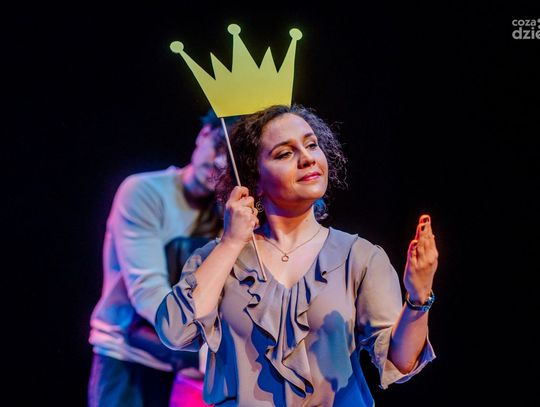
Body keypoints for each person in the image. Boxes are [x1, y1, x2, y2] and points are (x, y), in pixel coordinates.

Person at [156, 104, 438, 406]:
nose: (307, 158)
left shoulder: (359, 257)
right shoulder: (217, 258)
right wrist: (230, 243)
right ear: (254, 180)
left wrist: (418, 298)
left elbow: (401, 362)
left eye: (311, 145)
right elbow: (176, 332)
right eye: (285, 153)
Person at [87, 110, 238, 407]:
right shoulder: (144, 192)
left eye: (231, 159)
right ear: (203, 135)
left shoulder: (228, 213)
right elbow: (147, 291)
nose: (220, 162)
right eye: (218, 147)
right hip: (129, 357)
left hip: (186, 364)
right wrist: (202, 343)